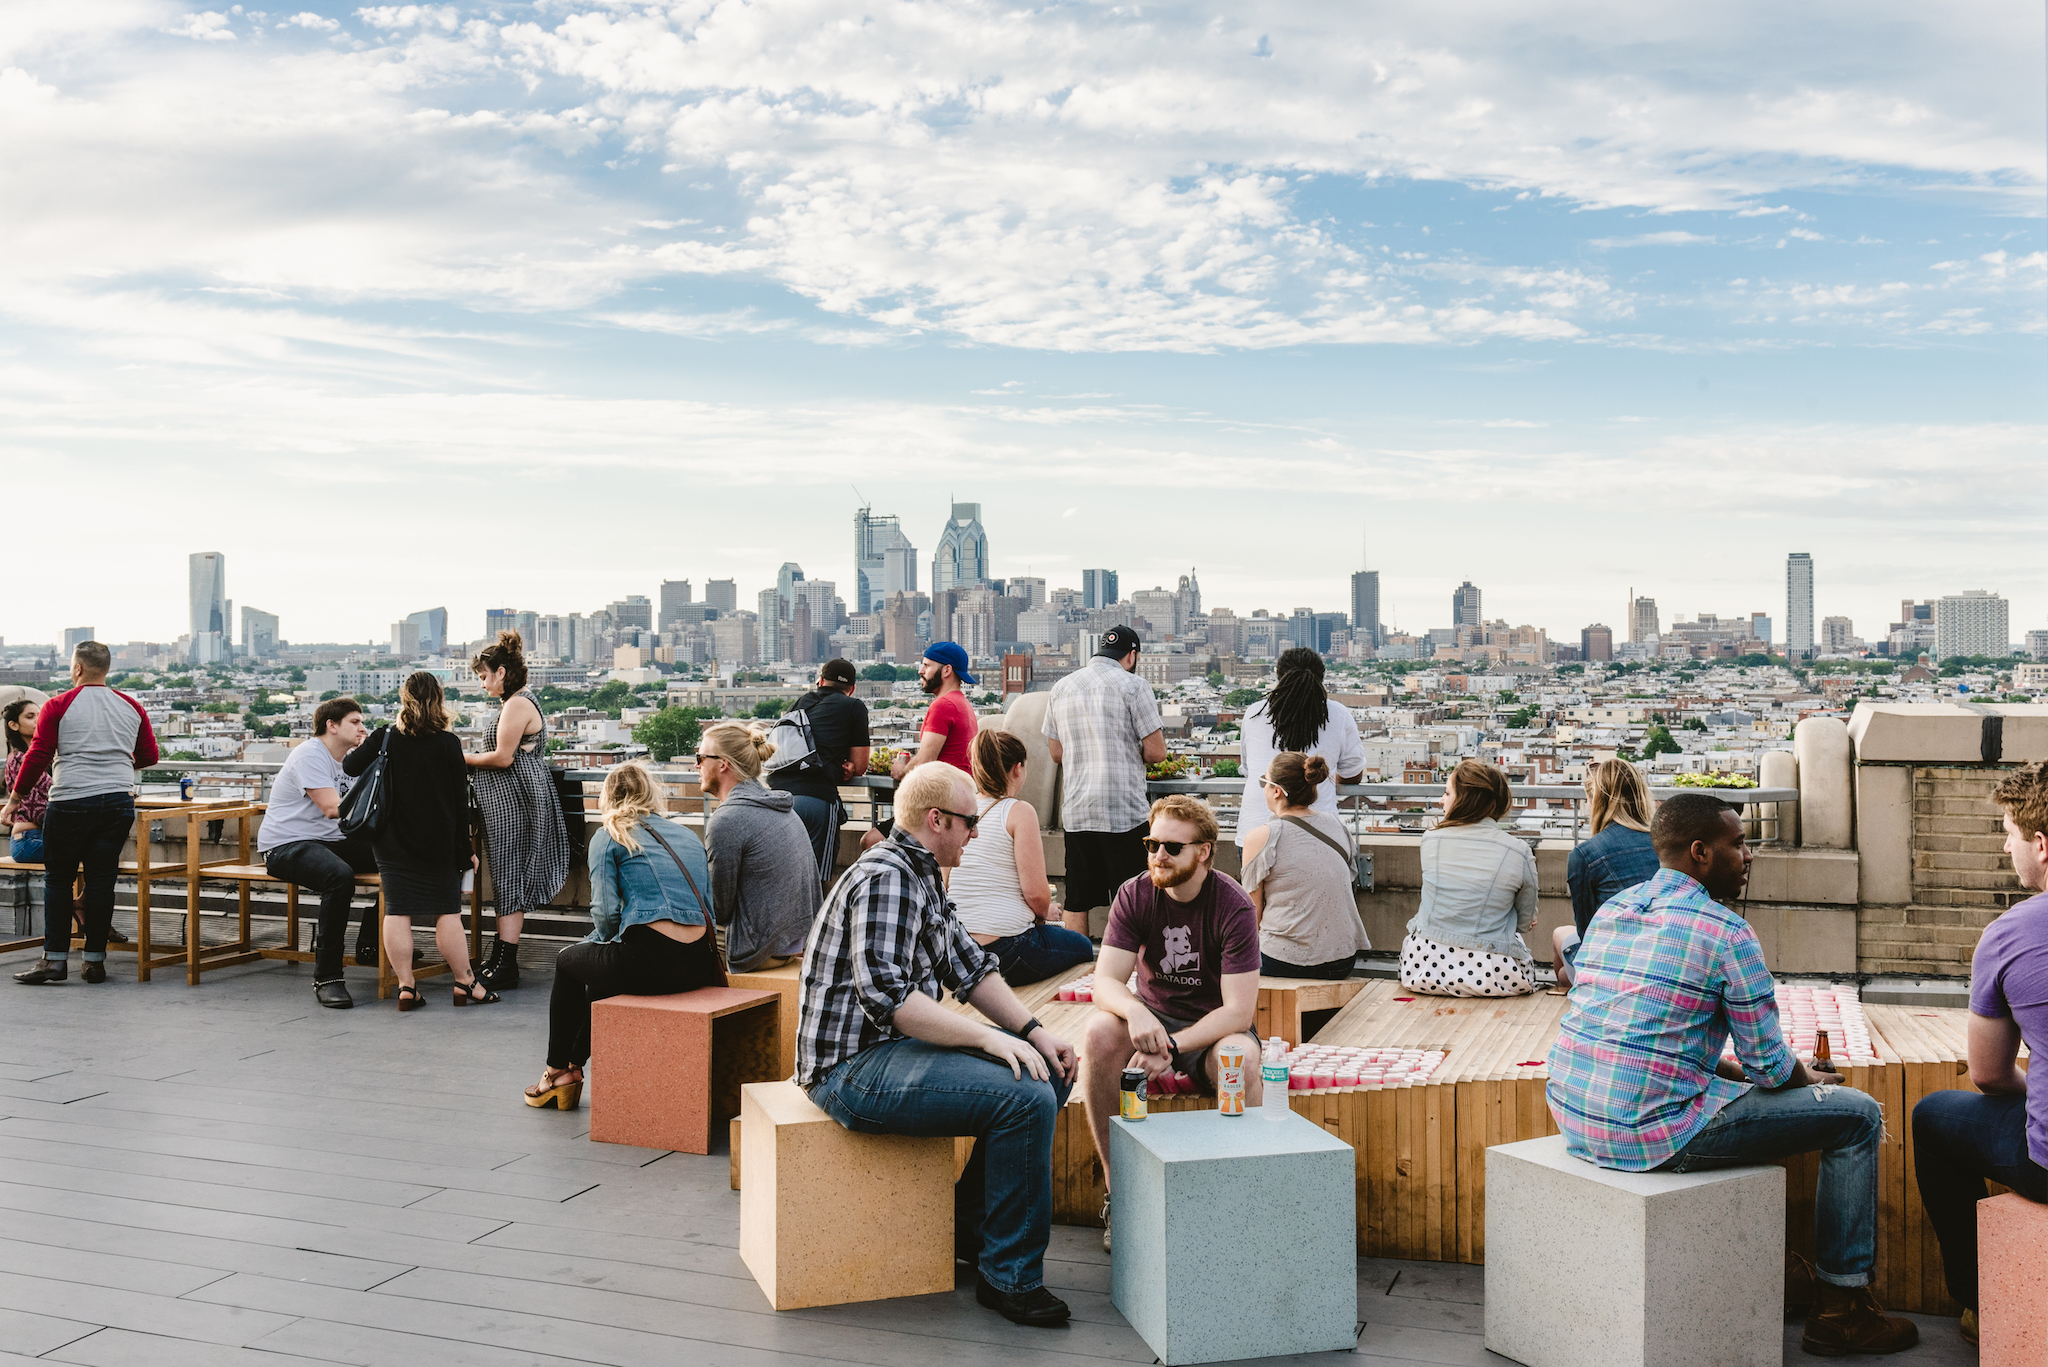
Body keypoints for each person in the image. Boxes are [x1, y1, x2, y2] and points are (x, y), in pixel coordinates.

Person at [1548, 794, 1915, 1356]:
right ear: (1701, 853)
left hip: (1580, 1116)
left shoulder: (1616, 911)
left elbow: (1658, 1043)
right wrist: (1809, 1080)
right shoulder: (1726, 932)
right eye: (1738, 844)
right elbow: (1770, 1066)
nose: (1747, 856)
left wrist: (1752, 1074)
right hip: (1650, 1135)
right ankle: (1842, 1309)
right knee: (1857, 1117)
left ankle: (1796, 1280)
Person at [798, 763, 1078, 1328]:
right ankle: (1010, 1278)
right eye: (970, 823)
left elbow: (971, 970)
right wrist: (991, 1042)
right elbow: (892, 1001)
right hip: (849, 1069)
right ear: (937, 820)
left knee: (1050, 1069)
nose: (976, 833)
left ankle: (976, 1230)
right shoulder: (887, 878)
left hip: (885, 1049)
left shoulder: (919, 873)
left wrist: (1033, 1034)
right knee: (1026, 1097)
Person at [1080, 794, 1262, 1251]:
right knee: (1100, 1033)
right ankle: (1117, 1191)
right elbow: (1104, 983)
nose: (1158, 856)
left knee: (1239, 1059)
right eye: (1151, 843)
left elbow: (1238, 1012)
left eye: (1171, 847)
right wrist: (1137, 1010)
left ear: (1203, 852)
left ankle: (1241, 1198)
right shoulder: (1136, 893)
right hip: (1154, 1016)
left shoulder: (1233, 905)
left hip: (1211, 1027)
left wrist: (1174, 1047)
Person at [1912, 761, 2048, 1346]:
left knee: (1933, 1117)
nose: (2005, 844)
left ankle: (1975, 1304)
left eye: (2010, 833)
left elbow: (1991, 1076)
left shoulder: (2013, 934)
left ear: (2041, 845)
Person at [525, 761, 725, 1110]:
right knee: (604, 962)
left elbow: (605, 913)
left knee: (570, 961)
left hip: (651, 963)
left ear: (608, 795)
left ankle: (556, 1069)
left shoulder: (611, 832)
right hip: (697, 963)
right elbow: (707, 904)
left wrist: (600, 941)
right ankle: (573, 1066)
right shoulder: (687, 836)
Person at [7, 642, 157, 986]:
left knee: (58, 879)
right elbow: (149, 754)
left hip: (72, 800)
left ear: (77, 668)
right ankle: (94, 962)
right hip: (118, 801)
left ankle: (54, 961)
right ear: (106, 669)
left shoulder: (59, 705)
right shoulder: (131, 705)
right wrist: (117, 762)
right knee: (102, 881)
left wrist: (15, 799)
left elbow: (39, 755)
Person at [347, 673, 496, 1010]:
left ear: (404, 699)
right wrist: (465, 851)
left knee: (397, 911)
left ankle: (406, 987)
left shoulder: (386, 737)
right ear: (439, 699)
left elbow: (351, 766)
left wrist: (365, 744)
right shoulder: (448, 743)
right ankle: (465, 983)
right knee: (447, 912)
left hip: (391, 841)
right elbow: (460, 805)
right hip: (438, 841)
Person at [259, 697, 381, 1009]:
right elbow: (331, 808)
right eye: (354, 721)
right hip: (285, 844)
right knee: (338, 877)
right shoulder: (309, 754)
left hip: (331, 841)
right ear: (332, 725)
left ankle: (371, 943)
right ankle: (328, 976)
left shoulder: (354, 758)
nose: (362, 727)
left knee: (397, 859)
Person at [466, 630, 571, 991]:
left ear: (500, 672)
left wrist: (455, 757)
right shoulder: (517, 702)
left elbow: (502, 757)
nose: (482, 684)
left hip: (517, 800)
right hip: (513, 798)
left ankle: (506, 962)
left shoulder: (516, 705)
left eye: (483, 676)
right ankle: (500, 957)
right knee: (507, 872)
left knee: (510, 872)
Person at [1041, 624, 1166, 924]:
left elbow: (1056, 754)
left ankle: (1077, 966)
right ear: (1132, 655)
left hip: (1078, 810)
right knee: (1135, 897)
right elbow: (1157, 752)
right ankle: (1136, 967)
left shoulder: (1062, 687)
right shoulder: (1134, 686)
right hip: (1123, 810)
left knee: (1077, 897)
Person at [949, 730, 1093, 985]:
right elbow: (1036, 894)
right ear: (1018, 769)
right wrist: (1044, 911)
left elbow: (946, 883)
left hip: (957, 954)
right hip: (1005, 951)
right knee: (1081, 946)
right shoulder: (1018, 812)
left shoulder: (962, 809)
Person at [1398, 759, 1539, 998]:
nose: (1441, 800)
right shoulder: (1518, 851)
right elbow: (1525, 923)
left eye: (1447, 793)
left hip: (1423, 967)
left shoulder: (1431, 839)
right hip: (1492, 974)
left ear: (1466, 799)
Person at [698, 722, 820, 972]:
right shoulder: (778, 804)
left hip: (761, 949)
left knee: (673, 941)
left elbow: (718, 909)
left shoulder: (728, 820)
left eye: (700, 757)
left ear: (723, 764)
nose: (696, 765)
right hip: (798, 940)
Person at [1240, 752, 1369, 985]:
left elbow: (1251, 915)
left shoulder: (1263, 837)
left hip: (1283, 961)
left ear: (1276, 791)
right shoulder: (1337, 826)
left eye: (1264, 782)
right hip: (1342, 958)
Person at [1233, 646, 1364, 849]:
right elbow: (1353, 774)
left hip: (1256, 832)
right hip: (1317, 832)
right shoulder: (1337, 714)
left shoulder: (1254, 713)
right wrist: (1323, 778)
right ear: (1320, 678)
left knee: (1257, 883)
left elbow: (1250, 771)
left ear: (1280, 678)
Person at [1552, 758, 1659, 989]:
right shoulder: (1665, 844)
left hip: (1616, 966)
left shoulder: (1585, 854)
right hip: (1663, 960)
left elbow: (1587, 931)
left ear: (1595, 801)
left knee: (1560, 943)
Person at [767, 657, 871, 883]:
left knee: (781, 877)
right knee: (813, 879)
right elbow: (861, 765)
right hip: (816, 799)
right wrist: (848, 765)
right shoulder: (854, 707)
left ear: (820, 681)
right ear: (851, 689)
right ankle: (813, 919)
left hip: (775, 797)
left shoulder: (798, 704)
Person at [889, 641, 978, 778]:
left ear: (946, 670)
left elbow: (925, 761)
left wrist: (901, 771)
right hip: (960, 789)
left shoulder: (944, 705)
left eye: (927, 665)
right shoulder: (962, 703)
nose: (921, 671)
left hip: (945, 792)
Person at [6, 699, 47, 863]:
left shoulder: (38, 757)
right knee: (99, 850)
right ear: (14, 725)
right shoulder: (19, 759)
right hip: (29, 840)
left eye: (40, 715)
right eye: (30, 717)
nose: (38, 720)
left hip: (38, 837)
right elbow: (36, 810)